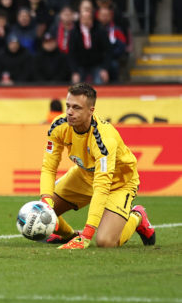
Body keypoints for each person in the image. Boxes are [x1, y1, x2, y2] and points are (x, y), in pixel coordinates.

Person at [39, 83, 156, 249]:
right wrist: (46, 197)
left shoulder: (103, 139)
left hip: (117, 184)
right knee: (41, 211)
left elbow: (102, 185)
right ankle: (69, 235)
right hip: (84, 176)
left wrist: (87, 235)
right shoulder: (59, 126)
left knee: (105, 242)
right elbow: (49, 167)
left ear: (91, 111)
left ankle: (137, 216)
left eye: (77, 108)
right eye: (68, 106)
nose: (70, 112)